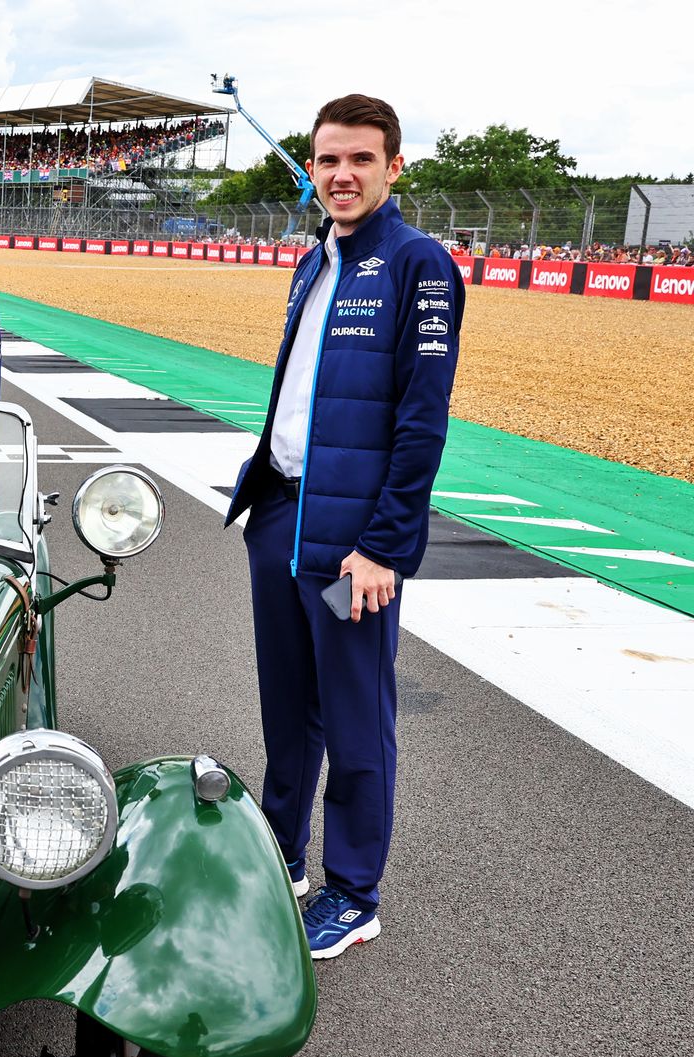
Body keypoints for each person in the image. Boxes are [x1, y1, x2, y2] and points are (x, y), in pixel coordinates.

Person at [222, 93, 465, 960]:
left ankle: (355, 894)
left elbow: (422, 420)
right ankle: (281, 855)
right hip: (283, 516)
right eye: (328, 159)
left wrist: (385, 547)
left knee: (356, 719)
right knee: (288, 710)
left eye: (361, 159)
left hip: (352, 543)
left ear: (394, 167)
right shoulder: (313, 260)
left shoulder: (419, 263)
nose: (342, 174)